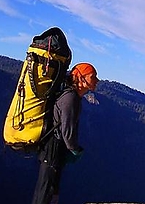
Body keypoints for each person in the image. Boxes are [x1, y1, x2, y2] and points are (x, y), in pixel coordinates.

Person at [32, 62, 99, 204]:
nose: (97, 80)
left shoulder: (72, 96)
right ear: (81, 78)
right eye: (93, 77)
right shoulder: (71, 98)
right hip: (53, 151)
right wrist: (75, 150)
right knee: (45, 194)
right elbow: (67, 131)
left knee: (48, 192)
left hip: (53, 151)